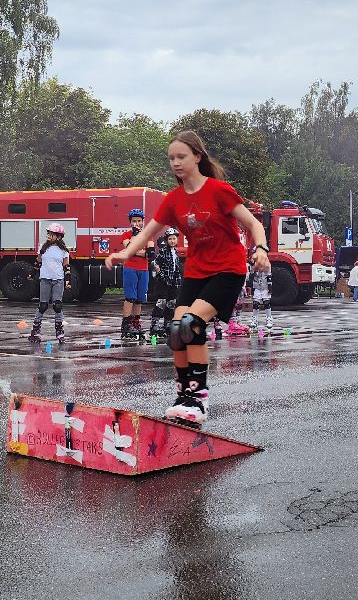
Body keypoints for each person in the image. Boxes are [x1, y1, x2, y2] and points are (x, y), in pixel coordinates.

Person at [105, 129, 268, 426]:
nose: (176, 163)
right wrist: (125, 254)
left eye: (181, 157)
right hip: (196, 271)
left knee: (192, 324)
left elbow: (253, 224)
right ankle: (183, 396)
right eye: (171, 159)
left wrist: (261, 249)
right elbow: (149, 232)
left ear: (197, 157)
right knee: (176, 330)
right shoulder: (174, 199)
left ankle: (199, 398)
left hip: (227, 270)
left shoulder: (219, 191)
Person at [31, 222, 72, 343]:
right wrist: (32, 274)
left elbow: (66, 266)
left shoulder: (64, 250)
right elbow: (38, 263)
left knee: (57, 305)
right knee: (43, 305)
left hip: (58, 280)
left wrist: (68, 281)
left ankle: (59, 331)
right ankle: (35, 331)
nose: (48, 235)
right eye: (48, 233)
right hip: (45, 279)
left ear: (58, 236)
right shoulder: (43, 248)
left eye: (51, 233)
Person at [118, 208, 151, 342]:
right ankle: (126, 324)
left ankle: (136, 322)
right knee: (130, 297)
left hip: (144, 269)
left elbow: (150, 253)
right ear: (130, 223)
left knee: (139, 299)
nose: (136, 223)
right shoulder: (126, 234)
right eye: (134, 221)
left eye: (139, 221)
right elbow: (129, 248)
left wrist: (135, 250)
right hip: (130, 268)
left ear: (143, 222)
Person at [147, 228, 183, 341]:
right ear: (166, 240)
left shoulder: (176, 252)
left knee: (171, 303)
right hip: (163, 282)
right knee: (161, 303)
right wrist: (160, 274)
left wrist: (178, 281)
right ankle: (154, 326)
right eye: (170, 239)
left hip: (173, 282)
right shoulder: (163, 251)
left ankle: (167, 324)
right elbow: (155, 263)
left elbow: (177, 267)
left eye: (174, 239)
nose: (172, 241)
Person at [246, 256, 274, 337]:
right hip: (257, 286)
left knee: (266, 303)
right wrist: (252, 268)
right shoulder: (253, 264)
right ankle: (254, 319)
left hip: (265, 286)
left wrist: (270, 287)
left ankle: (269, 319)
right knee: (256, 303)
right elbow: (250, 275)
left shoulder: (266, 263)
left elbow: (269, 276)